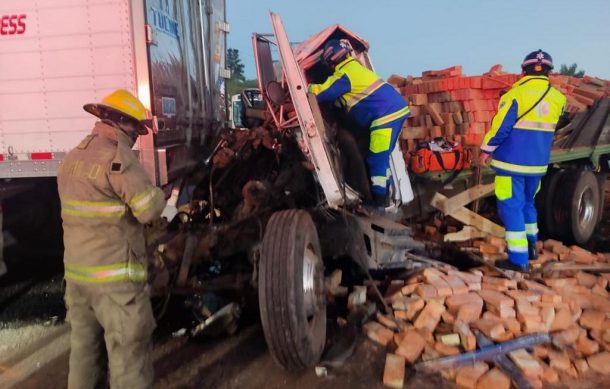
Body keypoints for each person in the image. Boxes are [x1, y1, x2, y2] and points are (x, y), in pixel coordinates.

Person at [57, 89, 166, 388]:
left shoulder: (72, 158)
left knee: (83, 352)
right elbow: (148, 211)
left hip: (78, 279)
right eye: (135, 128)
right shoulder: (117, 159)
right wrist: (160, 193)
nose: (135, 136)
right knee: (128, 355)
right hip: (115, 284)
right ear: (121, 123)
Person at [480, 50, 566, 272]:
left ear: (523, 70)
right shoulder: (558, 98)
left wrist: (485, 149)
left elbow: (500, 128)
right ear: (549, 71)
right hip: (537, 165)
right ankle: (531, 248)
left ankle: (518, 261)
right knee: (528, 204)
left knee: (511, 208)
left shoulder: (515, 95)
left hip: (511, 164)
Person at [308, 39, 410, 209]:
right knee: (382, 158)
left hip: (385, 117)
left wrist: (306, 88)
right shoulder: (355, 69)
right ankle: (384, 194)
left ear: (331, 58)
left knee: (376, 159)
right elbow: (348, 100)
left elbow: (323, 92)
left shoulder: (345, 74)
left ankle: (379, 203)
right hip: (394, 112)